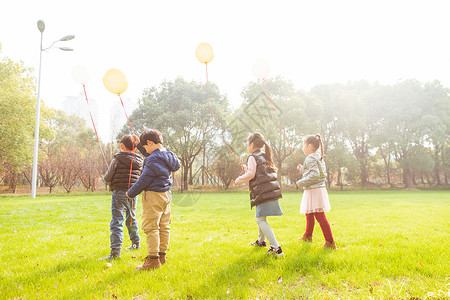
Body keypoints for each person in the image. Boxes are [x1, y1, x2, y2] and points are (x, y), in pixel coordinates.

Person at [126, 129, 180, 270]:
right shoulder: (168, 155)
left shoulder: (153, 160)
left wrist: (130, 193)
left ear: (149, 142)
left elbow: (144, 179)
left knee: (151, 228)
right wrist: (139, 145)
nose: (145, 151)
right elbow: (153, 158)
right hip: (166, 195)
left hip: (153, 196)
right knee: (164, 226)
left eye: (145, 147)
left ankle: (153, 260)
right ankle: (162, 256)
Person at [234, 133, 284, 257]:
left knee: (260, 220)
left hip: (263, 192)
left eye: (247, 144)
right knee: (262, 217)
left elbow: (251, 174)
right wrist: (247, 168)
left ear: (252, 144)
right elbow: (258, 171)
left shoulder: (252, 156)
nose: (247, 147)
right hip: (270, 190)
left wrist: (238, 179)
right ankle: (261, 242)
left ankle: (276, 249)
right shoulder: (264, 155)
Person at [102, 135, 144, 260]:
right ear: (136, 148)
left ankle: (115, 253)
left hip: (119, 192)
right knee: (131, 218)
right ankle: (136, 243)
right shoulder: (140, 160)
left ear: (122, 146)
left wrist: (104, 178)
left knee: (117, 221)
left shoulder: (117, 159)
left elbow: (107, 177)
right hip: (133, 193)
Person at [296, 134, 336, 249]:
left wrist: (301, 182)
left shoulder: (310, 158)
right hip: (316, 189)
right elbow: (313, 171)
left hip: (314, 189)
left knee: (319, 215)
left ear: (309, 146)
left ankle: (330, 242)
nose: (302, 147)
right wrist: (302, 168)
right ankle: (308, 236)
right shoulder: (317, 156)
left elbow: (315, 174)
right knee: (309, 213)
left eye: (303, 145)